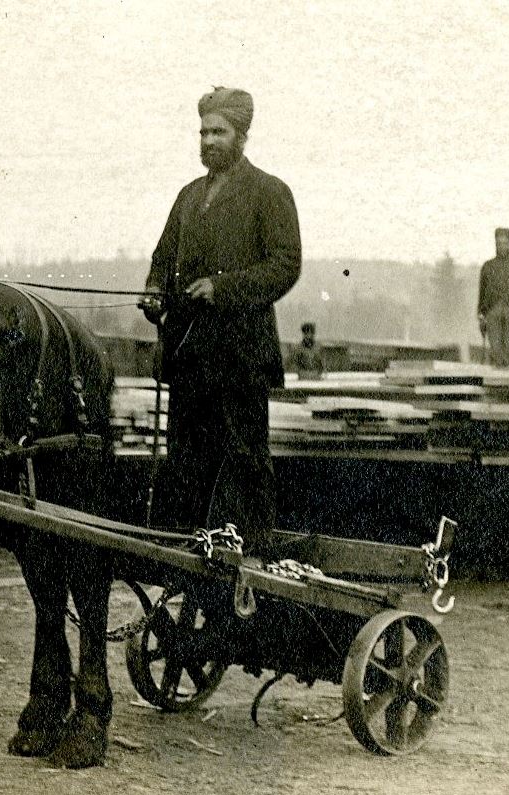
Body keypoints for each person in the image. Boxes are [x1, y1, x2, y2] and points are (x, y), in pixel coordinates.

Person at [140, 86, 301, 551]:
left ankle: (250, 555)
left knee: (243, 460)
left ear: (242, 136)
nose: (209, 140)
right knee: (187, 462)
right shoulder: (188, 197)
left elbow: (285, 266)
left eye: (220, 132)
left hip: (240, 358)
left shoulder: (270, 192)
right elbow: (162, 256)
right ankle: (194, 557)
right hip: (189, 357)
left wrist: (222, 288)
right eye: (204, 131)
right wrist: (154, 290)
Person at [477, 227, 509, 367]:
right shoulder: (488, 267)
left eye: (504, 243)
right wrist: (481, 317)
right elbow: (482, 294)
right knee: (495, 351)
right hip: (493, 313)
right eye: (498, 243)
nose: (501, 246)